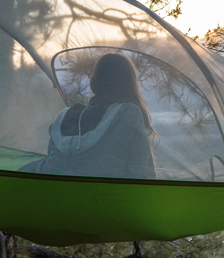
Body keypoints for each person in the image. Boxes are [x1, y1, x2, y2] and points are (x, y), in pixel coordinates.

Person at [19, 53, 157, 179]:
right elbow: (144, 172)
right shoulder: (129, 113)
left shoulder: (63, 116)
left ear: (95, 81)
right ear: (129, 83)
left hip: (55, 191)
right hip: (102, 196)